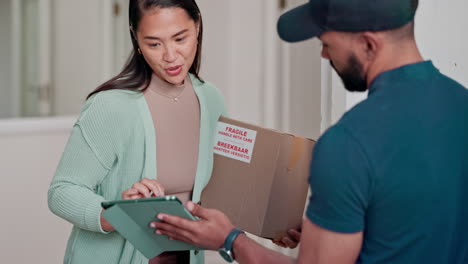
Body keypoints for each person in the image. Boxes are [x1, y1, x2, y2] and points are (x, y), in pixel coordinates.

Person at [151, 0, 468, 263]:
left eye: (327, 44)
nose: (324, 55)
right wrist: (335, 223)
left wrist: (229, 239)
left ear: (369, 43)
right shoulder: (461, 105)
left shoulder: (348, 143)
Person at [47, 0, 226, 263]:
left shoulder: (211, 100)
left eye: (180, 38)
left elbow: (218, 191)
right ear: (136, 39)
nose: (170, 55)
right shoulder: (111, 106)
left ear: (197, 25)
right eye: (154, 43)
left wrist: (269, 224)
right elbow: (61, 191)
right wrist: (118, 213)